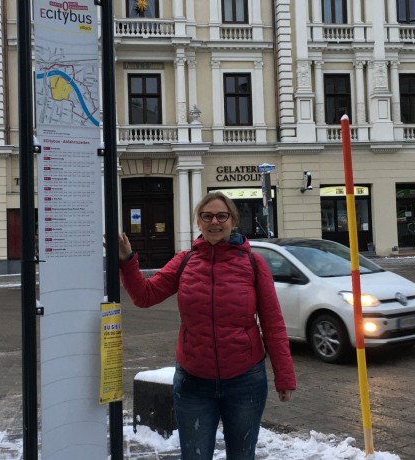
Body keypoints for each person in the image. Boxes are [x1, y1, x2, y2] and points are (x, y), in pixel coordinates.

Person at [118, 191, 296, 460]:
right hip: (193, 383)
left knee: (241, 455)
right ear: (198, 222)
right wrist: (127, 260)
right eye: (207, 216)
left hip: (245, 381)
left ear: (233, 221)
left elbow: (273, 324)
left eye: (222, 216)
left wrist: (284, 377)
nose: (215, 221)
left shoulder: (253, 263)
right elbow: (144, 296)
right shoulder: (185, 261)